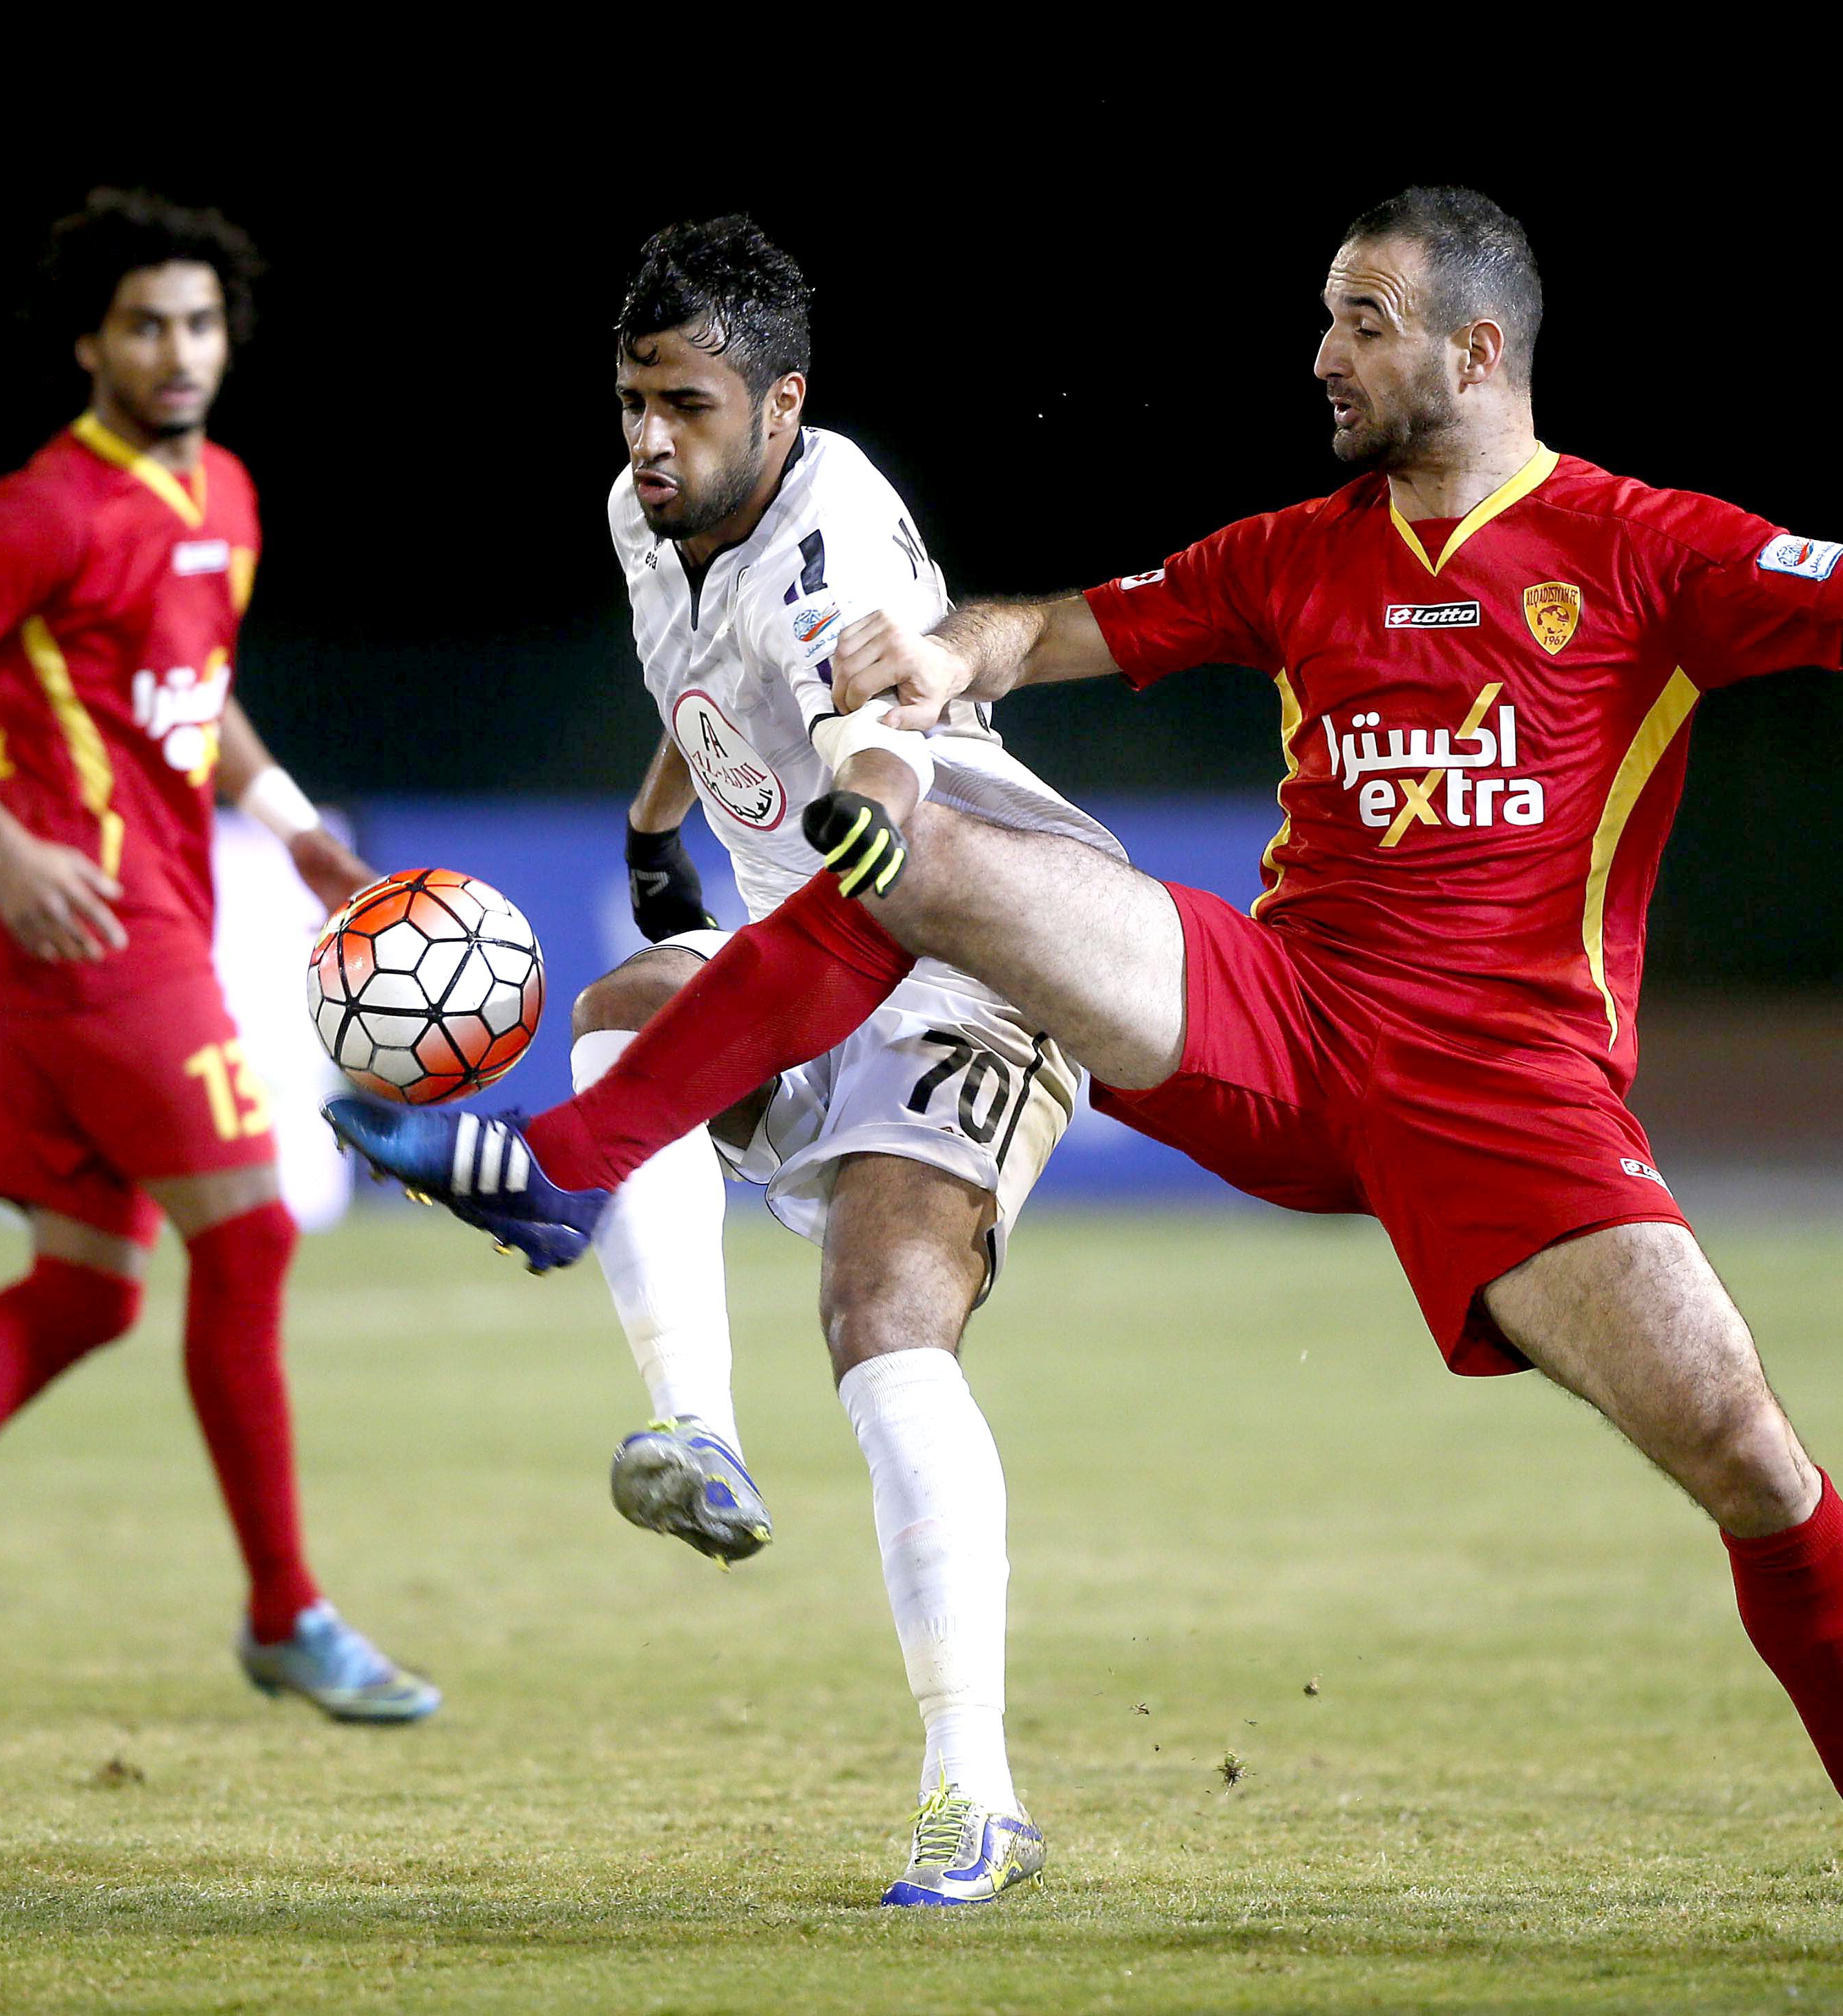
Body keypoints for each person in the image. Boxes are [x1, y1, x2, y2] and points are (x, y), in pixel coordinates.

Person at [328, 186, 1843, 1903]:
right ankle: (574, 1174)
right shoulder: (1292, 555)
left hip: (1510, 1100)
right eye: (1318, 320)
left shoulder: (1638, 548)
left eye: (1353, 322)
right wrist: (938, 657)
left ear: (1471, 343)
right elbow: (1050, 633)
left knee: (1747, 1461)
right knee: (919, 848)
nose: (1318, 355)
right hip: (1271, 1020)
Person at [0, 189, 435, 1726]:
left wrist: (293, 820)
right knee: (247, 1236)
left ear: (223, 335)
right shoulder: (46, 506)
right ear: (89, 342)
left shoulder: (231, 495)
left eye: (197, 322)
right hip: (84, 926)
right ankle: (284, 1612)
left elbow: (198, 692)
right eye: (143, 325)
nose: (175, 350)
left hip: (151, 913)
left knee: (88, 1290)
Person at [497, 215, 1118, 1906]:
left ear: (782, 403)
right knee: (625, 1010)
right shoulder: (649, 514)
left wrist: (857, 800)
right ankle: (691, 1428)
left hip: (963, 938)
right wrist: (651, 823)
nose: (648, 439)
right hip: (795, 932)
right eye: (631, 400)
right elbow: (709, 679)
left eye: (686, 406)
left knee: (884, 1314)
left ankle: (970, 1789)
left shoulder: (839, 533)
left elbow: (855, 728)